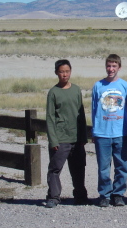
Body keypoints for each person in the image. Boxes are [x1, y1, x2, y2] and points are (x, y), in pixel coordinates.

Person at [45, 59, 89, 208]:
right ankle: (53, 197)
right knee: (55, 169)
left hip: (76, 137)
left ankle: (81, 196)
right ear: (56, 73)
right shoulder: (53, 92)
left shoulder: (76, 89)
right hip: (60, 137)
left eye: (67, 71)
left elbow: (81, 114)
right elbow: (50, 118)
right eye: (62, 71)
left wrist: (83, 136)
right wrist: (53, 140)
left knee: (78, 168)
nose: (64, 74)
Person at [91, 54, 127, 207]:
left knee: (122, 166)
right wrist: (94, 131)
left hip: (120, 132)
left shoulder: (125, 86)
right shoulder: (98, 86)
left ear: (119, 68)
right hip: (102, 133)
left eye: (114, 66)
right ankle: (105, 194)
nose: (111, 69)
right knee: (103, 167)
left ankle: (118, 193)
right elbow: (94, 109)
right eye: (109, 66)